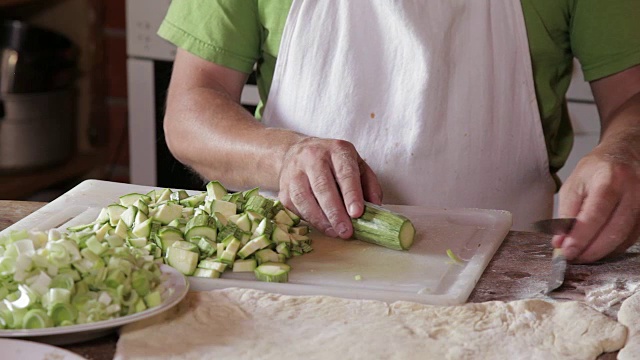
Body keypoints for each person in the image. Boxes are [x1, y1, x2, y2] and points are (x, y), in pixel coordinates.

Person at [157, 0, 640, 264]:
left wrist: (624, 151)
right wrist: (284, 155)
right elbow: (190, 106)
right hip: (294, 266)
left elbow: (632, 98)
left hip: (508, 274)